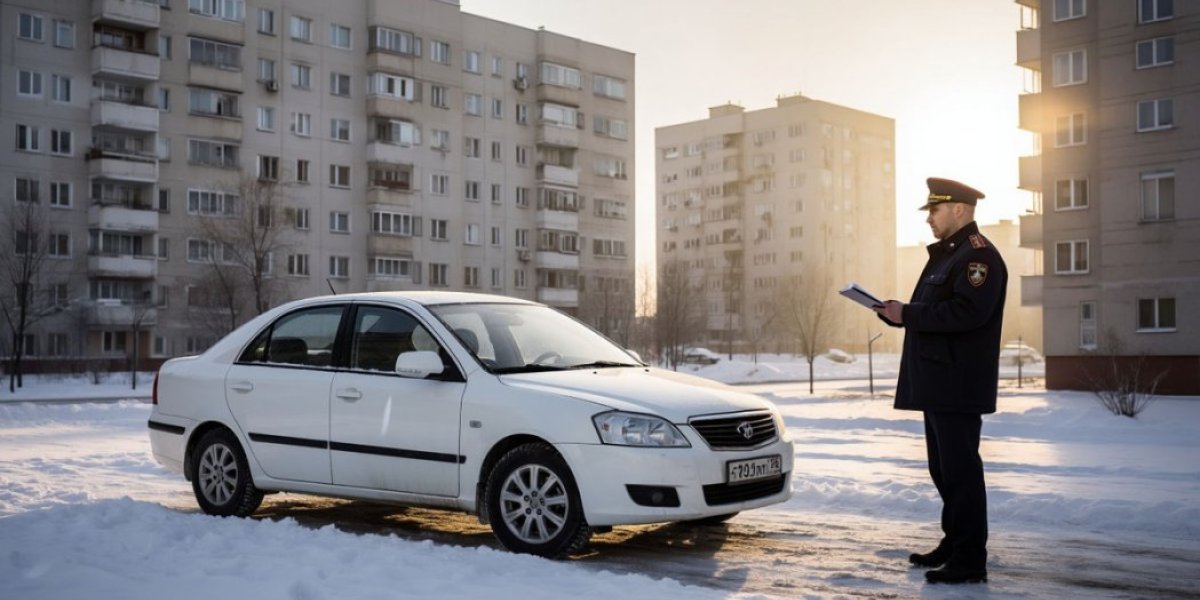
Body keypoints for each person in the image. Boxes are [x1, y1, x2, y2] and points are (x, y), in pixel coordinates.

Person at [874, 177, 1007, 584]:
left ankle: (970, 560)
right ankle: (955, 543)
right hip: (938, 381)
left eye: (935, 210)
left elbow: (968, 313)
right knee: (943, 470)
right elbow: (934, 310)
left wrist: (908, 315)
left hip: (957, 383)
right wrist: (898, 312)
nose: (929, 218)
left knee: (961, 472)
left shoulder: (977, 257)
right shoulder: (948, 256)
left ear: (960, 211)